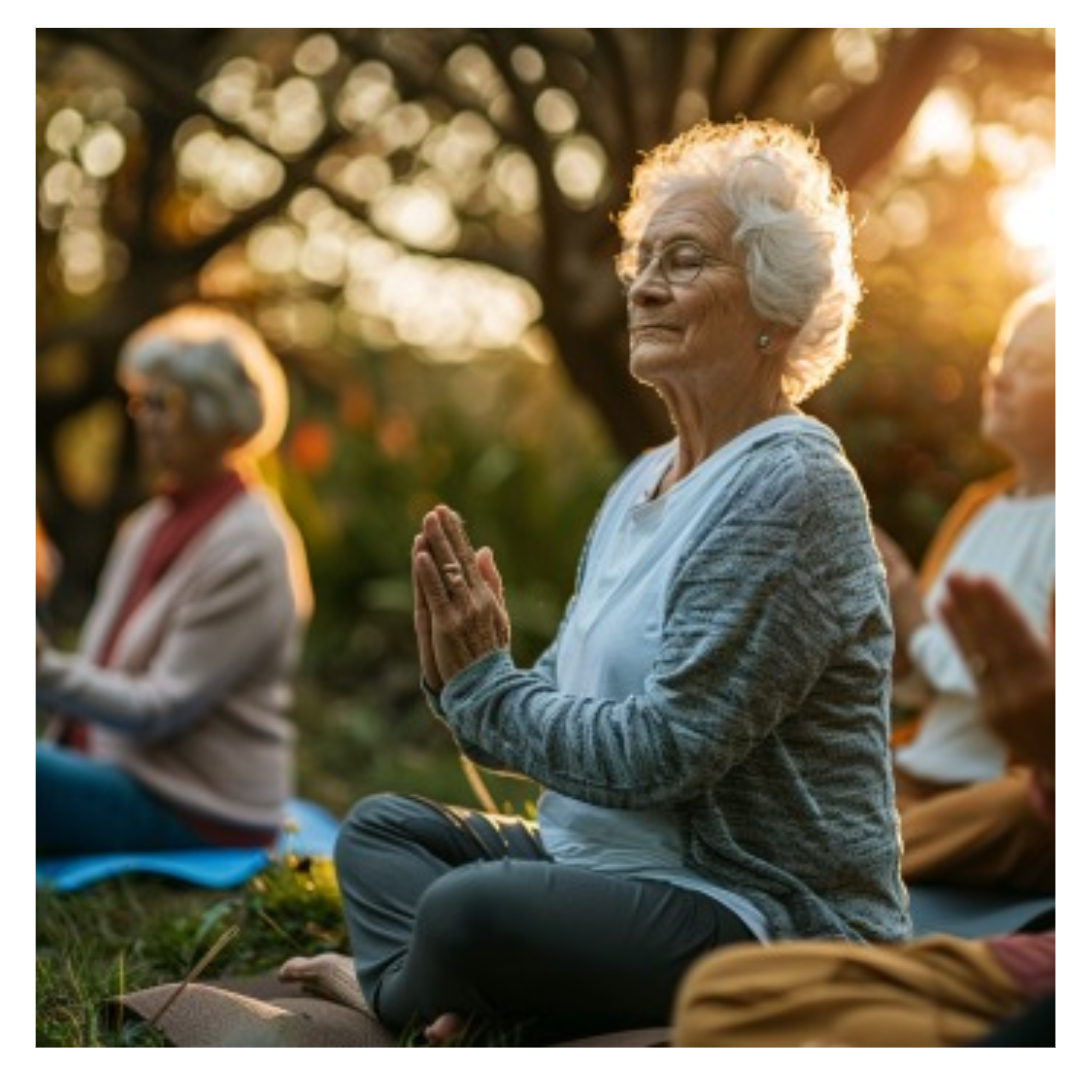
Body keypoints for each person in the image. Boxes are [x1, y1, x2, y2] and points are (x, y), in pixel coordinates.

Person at [282, 118, 908, 1046]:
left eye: (684, 260)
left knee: (470, 911)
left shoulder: (793, 484)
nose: (645, 286)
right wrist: (467, 678)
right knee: (378, 831)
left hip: (756, 911)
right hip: (602, 867)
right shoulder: (642, 483)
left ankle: (406, 996)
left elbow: (664, 751)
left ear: (774, 302)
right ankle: (449, 1002)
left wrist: (487, 691)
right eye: (643, 260)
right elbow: (564, 715)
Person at [672, 572, 1054, 1048]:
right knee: (722, 990)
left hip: (992, 786)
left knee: (730, 1007)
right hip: (966, 788)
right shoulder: (979, 507)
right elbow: (916, 685)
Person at [36, 303, 313, 855]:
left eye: (162, 403)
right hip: (111, 771)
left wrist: (39, 670)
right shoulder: (147, 524)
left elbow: (159, 709)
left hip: (196, 809)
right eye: (141, 400)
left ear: (220, 414)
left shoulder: (253, 544)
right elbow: (99, 666)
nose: (143, 418)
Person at [876, 285, 1055, 892]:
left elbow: (1027, 693)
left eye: (1033, 367)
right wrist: (890, 627)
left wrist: (908, 601)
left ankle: (863, 851)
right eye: (1003, 357)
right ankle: (877, 840)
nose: (1000, 379)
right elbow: (932, 685)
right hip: (914, 774)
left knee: (1021, 817)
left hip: (995, 795)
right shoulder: (975, 508)